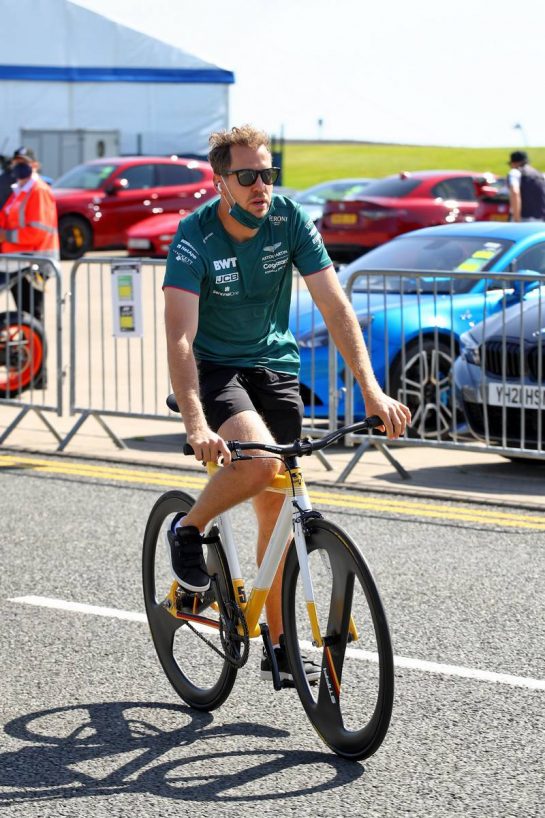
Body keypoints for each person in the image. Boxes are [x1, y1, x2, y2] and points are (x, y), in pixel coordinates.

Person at [163, 125, 411, 684]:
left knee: (276, 511)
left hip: (276, 367)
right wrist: (196, 423)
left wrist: (371, 390)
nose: (260, 186)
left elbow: (333, 303)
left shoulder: (289, 220)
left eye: (267, 174)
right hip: (216, 367)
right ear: (220, 180)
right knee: (263, 463)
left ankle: (277, 640)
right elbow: (178, 335)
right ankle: (188, 528)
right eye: (246, 176)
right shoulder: (194, 236)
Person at [0, 146, 59, 325]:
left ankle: (34, 351)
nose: (18, 167)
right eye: (16, 163)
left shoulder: (38, 190)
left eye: (23, 163)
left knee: (31, 315)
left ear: (34, 165)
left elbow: (37, 232)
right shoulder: (18, 191)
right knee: (23, 315)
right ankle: (25, 349)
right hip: (16, 262)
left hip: (34, 264)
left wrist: (5, 236)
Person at [507, 150, 545, 222]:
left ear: (514, 163)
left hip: (524, 220)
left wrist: (516, 220)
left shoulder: (515, 172)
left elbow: (515, 192)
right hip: (541, 221)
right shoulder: (541, 175)